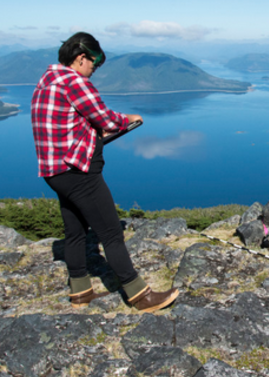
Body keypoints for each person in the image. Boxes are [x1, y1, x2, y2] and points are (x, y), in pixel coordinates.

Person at [31, 32, 179, 311]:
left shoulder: (47, 79)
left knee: (75, 231)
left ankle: (80, 292)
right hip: (79, 173)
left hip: (55, 173)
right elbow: (104, 118)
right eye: (94, 64)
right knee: (110, 233)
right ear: (80, 58)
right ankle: (140, 296)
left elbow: (73, 123)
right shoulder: (74, 82)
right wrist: (128, 119)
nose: (94, 71)